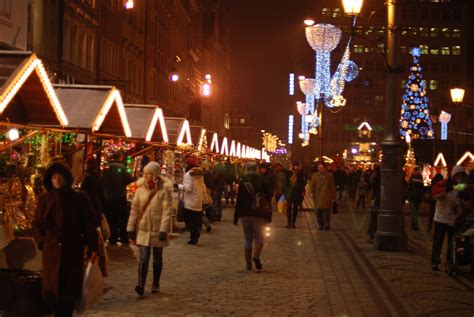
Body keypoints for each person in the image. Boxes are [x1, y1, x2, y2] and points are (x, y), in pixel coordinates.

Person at [32, 161, 98, 317]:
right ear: (49, 179)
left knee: (68, 295)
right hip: (51, 251)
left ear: (66, 178)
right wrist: (42, 241)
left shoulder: (79, 197)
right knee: (53, 293)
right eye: (54, 177)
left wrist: (93, 247)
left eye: (60, 176)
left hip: (72, 249)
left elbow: (89, 224)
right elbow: (36, 224)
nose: (57, 180)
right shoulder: (44, 199)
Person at [127, 161, 173, 295]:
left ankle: (155, 284)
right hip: (143, 228)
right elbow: (134, 210)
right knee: (143, 258)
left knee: (157, 258)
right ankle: (140, 284)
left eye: (149, 173)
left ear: (155, 175)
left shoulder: (164, 191)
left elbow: (167, 211)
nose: (146, 176)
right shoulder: (140, 190)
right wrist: (130, 227)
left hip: (158, 229)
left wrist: (164, 229)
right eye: (145, 173)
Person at [234, 162, 271, 271]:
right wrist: (269, 214)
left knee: (247, 238)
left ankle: (248, 264)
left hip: (244, 213)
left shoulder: (242, 181)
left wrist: (236, 215)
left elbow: (239, 200)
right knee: (259, 237)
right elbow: (268, 199)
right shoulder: (262, 180)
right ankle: (256, 256)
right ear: (256, 170)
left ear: (246, 169)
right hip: (259, 213)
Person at [431, 165, 466, 271]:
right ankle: (435, 261)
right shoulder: (445, 183)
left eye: (461, 176)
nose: (459, 178)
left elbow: (460, 201)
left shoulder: (460, 187)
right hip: (441, 217)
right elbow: (435, 195)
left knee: (452, 242)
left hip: (452, 219)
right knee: (438, 241)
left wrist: (459, 214)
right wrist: (447, 189)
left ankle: (450, 261)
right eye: (457, 175)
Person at [102, 151, 133, 245]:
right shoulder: (123, 168)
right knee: (122, 218)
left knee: (111, 218)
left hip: (108, 197)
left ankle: (112, 238)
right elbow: (129, 179)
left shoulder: (105, 167)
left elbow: (102, 180)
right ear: (120, 157)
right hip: (120, 196)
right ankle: (124, 238)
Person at [178, 156, 207, 245]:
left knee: (187, 219)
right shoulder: (200, 174)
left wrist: (178, 186)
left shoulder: (188, 174)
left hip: (190, 201)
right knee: (195, 220)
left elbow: (189, 188)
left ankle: (195, 234)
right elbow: (203, 187)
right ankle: (193, 237)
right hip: (198, 200)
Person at [310, 163, 336, 230]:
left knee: (326, 211)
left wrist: (333, 196)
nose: (319, 169)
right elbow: (312, 185)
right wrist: (311, 192)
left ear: (324, 168)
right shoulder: (315, 176)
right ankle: (320, 224)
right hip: (318, 196)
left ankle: (327, 224)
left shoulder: (329, 175)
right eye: (319, 168)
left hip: (326, 195)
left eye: (321, 168)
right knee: (319, 211)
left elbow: (332, 186)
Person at [283, 161, 307, 228]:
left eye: (297, 166)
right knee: (289, 208)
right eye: (294, 165)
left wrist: (302, 191)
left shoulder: (301, 173)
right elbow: (285, 180)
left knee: (295, 208)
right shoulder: (289, 172)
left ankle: (293, 223)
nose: (296, 167)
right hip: (289, 192)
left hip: (297, 193)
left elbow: (303, 183)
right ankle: (288, 223)